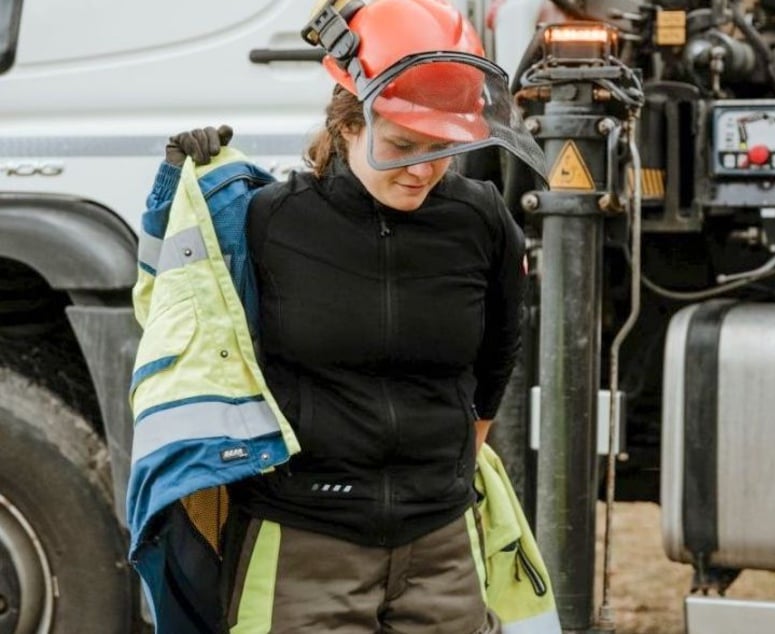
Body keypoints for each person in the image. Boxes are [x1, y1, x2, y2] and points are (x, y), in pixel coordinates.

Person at [126, 0, 557, 632]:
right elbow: (170, 311)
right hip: (303, 546)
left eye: (442, 149)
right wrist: (173, 200)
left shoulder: (480, 219)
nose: (422, 169)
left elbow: (499, 349)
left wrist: (453, 464)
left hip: (440, 546)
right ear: (349, 122)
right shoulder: (267, 222)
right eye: (402, 144)